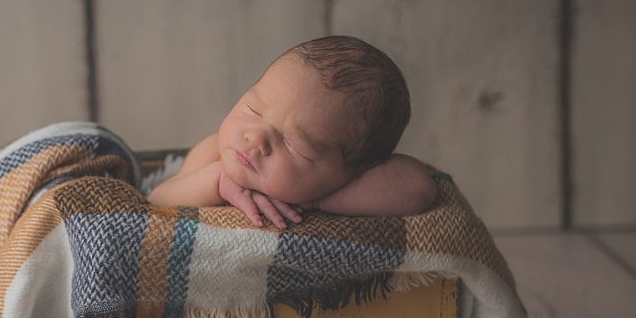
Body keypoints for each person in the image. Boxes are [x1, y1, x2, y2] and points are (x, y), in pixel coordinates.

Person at [147, 35, 438, 229]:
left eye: (294, 144)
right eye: (254, 109)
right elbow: (158, 201)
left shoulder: (331, 184)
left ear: (347, 173)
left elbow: (419, 189)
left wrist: (316, 200)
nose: (256, 137)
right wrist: (218, 180)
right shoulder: (215, 154)